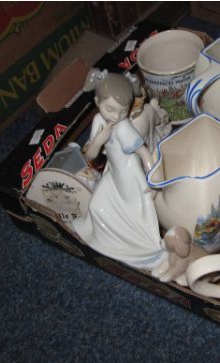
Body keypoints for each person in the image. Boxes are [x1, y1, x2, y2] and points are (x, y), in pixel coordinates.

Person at [72, 68, 167, 270]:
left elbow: (142, 152)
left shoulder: (123, 126)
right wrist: (99, 140)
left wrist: (152, 174)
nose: (116, 116)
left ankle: (142, 250)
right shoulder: (99, 121)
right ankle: (106, 242)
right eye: (110, 110)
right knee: (97, 205)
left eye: (122, 111)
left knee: (134, 214)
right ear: (97, 104)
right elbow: (90, 155)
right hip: (113, 171)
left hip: (129, 174)